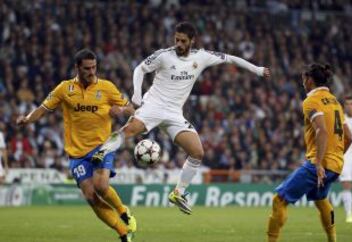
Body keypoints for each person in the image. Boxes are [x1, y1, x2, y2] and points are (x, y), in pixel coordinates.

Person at [91, 21, 271, 214]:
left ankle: (178, 193)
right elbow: (140, 69)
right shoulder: (163, 55)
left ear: (192, 41)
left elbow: (230, 58)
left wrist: (257, 70)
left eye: (183, 41)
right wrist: (136, 94)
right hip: (153, 106)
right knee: (130, 131)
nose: (178, 44)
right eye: (176, 39)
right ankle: (103, 151)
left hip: (174, 113)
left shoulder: (202, 57)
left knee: (197, 152)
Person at [16, 49, 136, 242]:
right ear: (77, 68)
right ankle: (123, 234)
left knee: (101, 186)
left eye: (94, 67)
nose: (92, 71)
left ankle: (123, 212)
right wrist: (28, 119)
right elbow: (43, 108)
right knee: (91, 197)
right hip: (77, 153)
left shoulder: (106, 87)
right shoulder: (64, 89)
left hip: (102, 146)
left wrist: (120, 110)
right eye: (87, 68)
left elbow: (131, 108)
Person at [266, 63, 352, 242]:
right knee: (321, 200)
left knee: (279, 199)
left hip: (318, 164)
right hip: (336, 164)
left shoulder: (311, 101)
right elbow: (349, 137)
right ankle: (333, 240)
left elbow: (321, 130)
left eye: (303, 78)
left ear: (310, 80)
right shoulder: (335, 101)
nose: (302, 82)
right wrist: (335, 158)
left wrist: (320, 163)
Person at [339, 95, 352, 223]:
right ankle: (349, 215)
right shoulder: (341, 120)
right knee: (346, 184)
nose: (350, 106)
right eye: (347, 104)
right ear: (344, 106)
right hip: (346, 155)